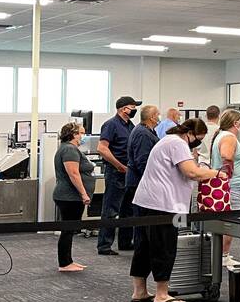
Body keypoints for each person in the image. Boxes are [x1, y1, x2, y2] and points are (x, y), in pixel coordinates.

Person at [128, 119, 218, 302]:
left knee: (143, 247)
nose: (197, 143)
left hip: (146, 200)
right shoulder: (178, 143)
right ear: (190, 133)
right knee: (164, 247)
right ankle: (162, 294)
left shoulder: (166, 140)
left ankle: (140, 292)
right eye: (198, 139)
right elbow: (191, 172)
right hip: (163, 204)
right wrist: (216, 173)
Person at [96, 95, 140, 255]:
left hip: (128, 173)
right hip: (116, 172)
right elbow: (102, 148)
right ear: (123, 109)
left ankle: (125, 242)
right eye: (133, 107)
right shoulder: (111, 125)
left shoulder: (130, 125)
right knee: (110, 209)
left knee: (127, 209)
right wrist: (118, 165)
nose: (135, 110)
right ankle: (104, 245)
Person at [212, 109, 240, 269]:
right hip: (231, 187)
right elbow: (227, 156)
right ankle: (223, 255)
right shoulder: (229, 137)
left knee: (226, 221)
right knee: (230, 223)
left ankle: (222, 254)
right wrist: (227, 174)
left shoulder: (222, 135)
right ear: (235, 123)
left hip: (231, 186)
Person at [52, 122, 93, 273]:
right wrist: (83, 193)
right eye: (82, 133)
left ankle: (68, 261)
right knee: (68, 230)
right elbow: (73, 174)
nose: (84, 136)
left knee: (69, 230)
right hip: (69, 197)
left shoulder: (68, 148)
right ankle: (64, 263)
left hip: (68, 196)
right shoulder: (69, 149)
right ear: (74, 134)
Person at [125, 105, 161, 249]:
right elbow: (142, 161)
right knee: (141, 218)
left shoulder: (147, 131)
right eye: (157, 114)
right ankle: (141, 248)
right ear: (152, 117)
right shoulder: (143, 134)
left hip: (141, 181)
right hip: (139, 182)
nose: (159, 117)